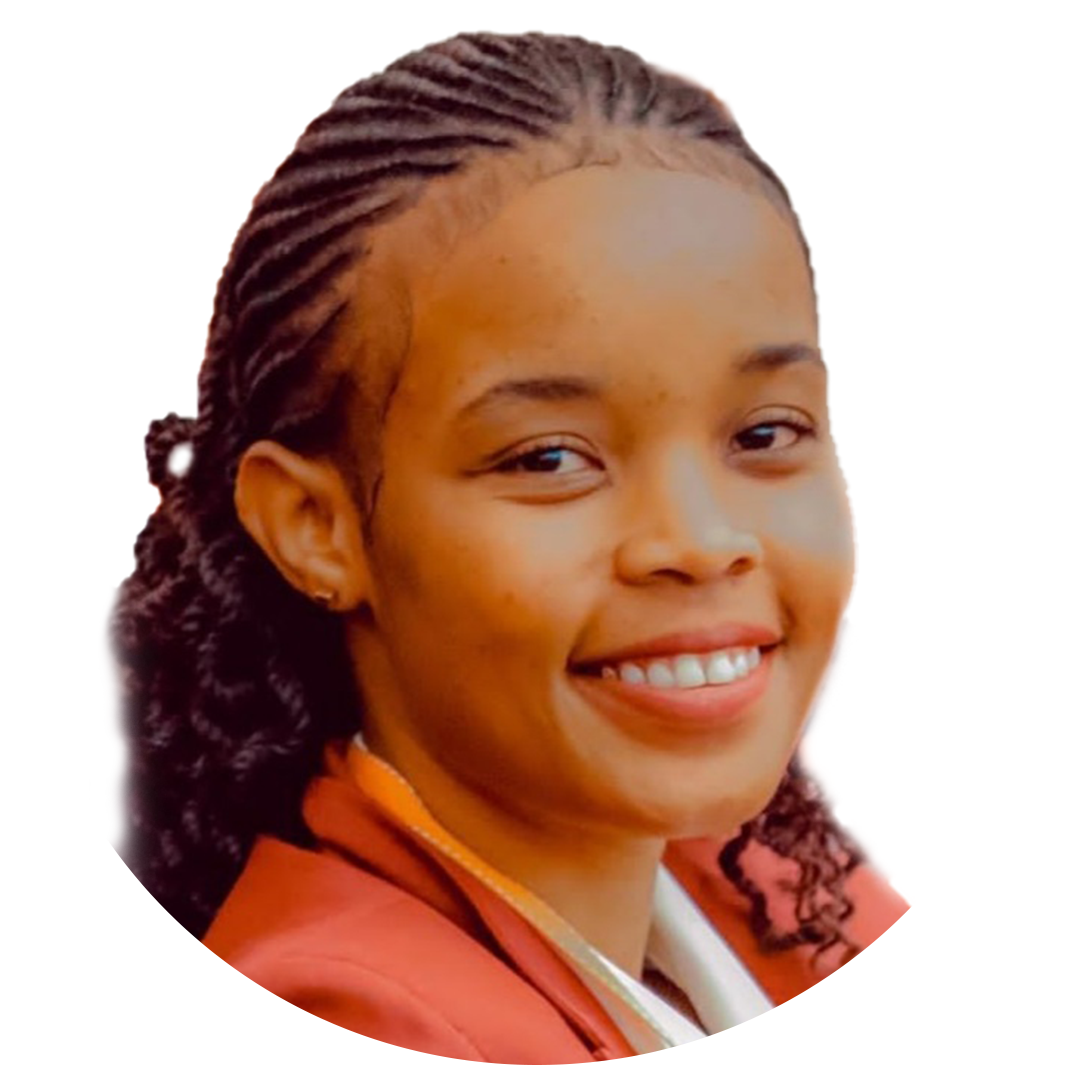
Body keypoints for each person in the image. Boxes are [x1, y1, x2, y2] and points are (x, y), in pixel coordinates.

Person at [114, 31, 1036, 1065]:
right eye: (550, 458)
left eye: (765, 434)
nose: (701, 541)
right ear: (315, 528)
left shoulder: (761, 889)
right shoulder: (336, 1036)